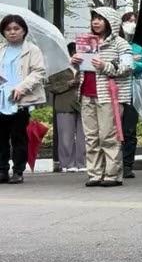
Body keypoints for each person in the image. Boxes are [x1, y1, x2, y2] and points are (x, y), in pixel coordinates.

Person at [73, 7, 134, 188]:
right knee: (91, 137)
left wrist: (105, 65)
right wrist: (75, 63)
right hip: (86, 93)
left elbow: (128, 68)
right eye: (94, 18)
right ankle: (94, 173)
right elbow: (80, 71)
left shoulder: (121, 44)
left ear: (111, 22)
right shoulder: (86, 41)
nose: (96, 22)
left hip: (109, 95)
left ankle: (112, 174)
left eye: (100, 18)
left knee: (108, 135)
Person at [0, 15, 46, 183]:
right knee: (1, 137)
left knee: (18, 136)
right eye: (8, 29)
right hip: (1, 97)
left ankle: (18, 170)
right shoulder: (1, 49)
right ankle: (2, 170)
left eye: (16, 29)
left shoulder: (32, 50)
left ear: (24, 31)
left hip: (20, 98)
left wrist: (22, 87)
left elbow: (39, 71)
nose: (12, 32)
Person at [118, 11, 142, 179]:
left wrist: (130, 60)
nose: (131, 24)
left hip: (133, 92)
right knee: (114, 130)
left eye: (134, 21)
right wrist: (130, 59)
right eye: (128, 21)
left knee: (129, 130)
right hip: (115, 92)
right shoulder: (116, 43)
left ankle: (127, 165)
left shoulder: (141, 46)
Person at [47, 43, 85, 173]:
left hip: (84, 104)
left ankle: (83, 162)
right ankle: (67, 163)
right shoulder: (58, 68)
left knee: (84, 136)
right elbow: (50, 86)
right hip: (64, 104)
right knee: (65, 136)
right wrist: (67, 84)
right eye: (74, 52)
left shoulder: (86, 67)